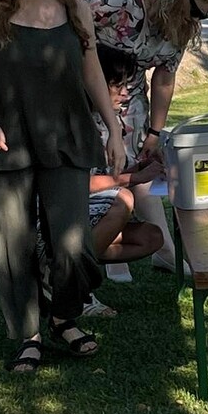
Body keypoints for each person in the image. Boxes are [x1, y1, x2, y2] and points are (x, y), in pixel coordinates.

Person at [0, 0, 126, 373]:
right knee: (11, 243)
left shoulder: (75, 7)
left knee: (73, 244)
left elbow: (92, 72)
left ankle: (62, 316)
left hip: (67, 136)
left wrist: (113, 128)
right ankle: (28, 336)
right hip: (6, 141)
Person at [87, 0, 208, 277]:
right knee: (98, 171)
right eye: (197, 11)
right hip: (87, 95)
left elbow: (164, 79)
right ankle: (107, 254)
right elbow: (69, 34)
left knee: (137, 169)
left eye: (205, 15)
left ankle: (163, 252)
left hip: (129, 100)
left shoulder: (181, 24)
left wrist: (154, 132)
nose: (199, 20)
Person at [39, 45, 165, 318]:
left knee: (152, 237)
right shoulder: (69, 123)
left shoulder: (99, 120)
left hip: (78, 218)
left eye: (127, 85)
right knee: (122, 200)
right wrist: (134, 177)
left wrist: (143, 167)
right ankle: (69, 287)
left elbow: (101, 176)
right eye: (117, 85)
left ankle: (59, 274)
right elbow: (76, 184)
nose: (126, 93)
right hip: (50, 223)